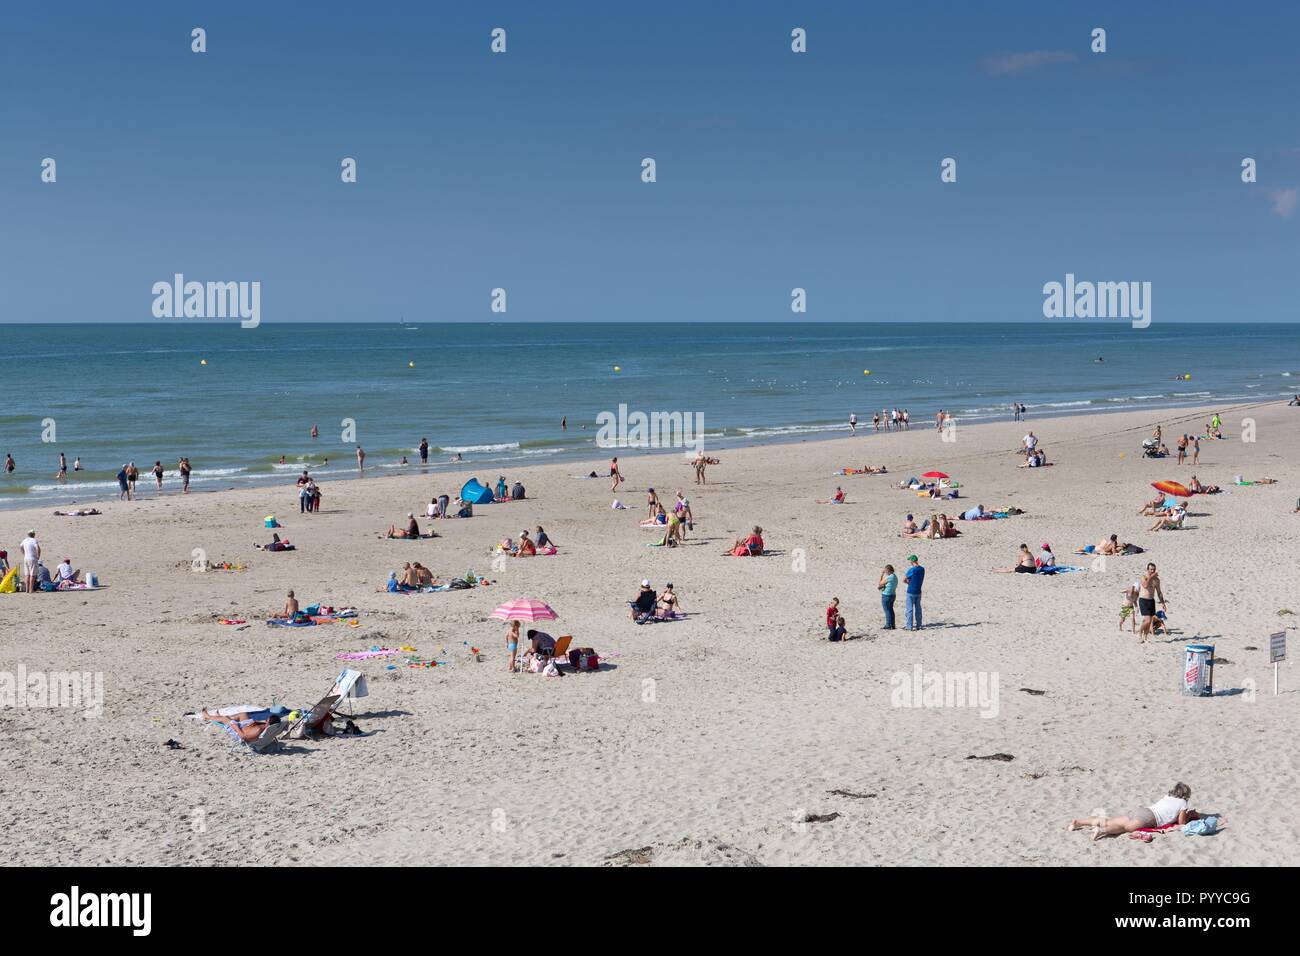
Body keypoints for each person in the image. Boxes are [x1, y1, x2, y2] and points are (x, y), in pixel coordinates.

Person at [1068, 783, 1197, 841]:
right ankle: (1101, 830)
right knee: (1125, 828)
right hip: (1150, 818)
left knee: (1110, 821)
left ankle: (1078, 822)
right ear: (1186, 795)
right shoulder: (1183, 803)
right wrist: (1189, 815)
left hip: (1144, 810)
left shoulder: (1167, 796)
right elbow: (1181, 823)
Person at [1137, 563, 1167, 642]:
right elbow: (1145, 585)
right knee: (1147, 620)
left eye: (1154, 569)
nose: (1152, 571)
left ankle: (1145, 637)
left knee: (1149, 621)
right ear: (1147, 570)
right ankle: (1140, 634)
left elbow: (1159, 592)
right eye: (1151, 569)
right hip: (1143, 600)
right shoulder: (1143, 577)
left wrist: (1163, 603)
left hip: (1151, 600)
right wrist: (1151, 576)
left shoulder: (1157, 580)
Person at [904, 555, 924, 631]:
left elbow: (904, 579)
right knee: (918, 609)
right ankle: (919, 625)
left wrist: (908, 582)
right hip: (918, 591)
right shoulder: (922, 569)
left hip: (911, 591)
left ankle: (909, 626)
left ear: (912, 561)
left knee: (909, 609)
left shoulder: (912, 570)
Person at [20, 531, 40, 596]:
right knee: (32, 575)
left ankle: (27, 590)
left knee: (27, 575)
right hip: (32, 558)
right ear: (34, 534)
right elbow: (38, 548)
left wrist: (24, 553)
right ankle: (31, 590)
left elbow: (21, 546)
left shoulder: (25, 540)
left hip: (26, 558)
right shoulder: (34, 540)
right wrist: (38, 556)